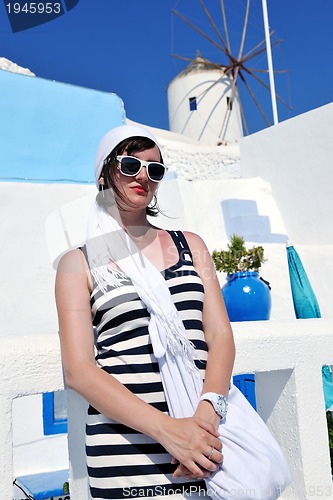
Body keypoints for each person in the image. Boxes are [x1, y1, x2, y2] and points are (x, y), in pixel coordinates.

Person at [55, 124, 289, 500]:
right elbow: (79, 370)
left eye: (155, 169)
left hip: (204, 446)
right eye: (130, 164)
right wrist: (169, 432)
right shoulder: (76, 263)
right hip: (124, 455)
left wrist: (205, 417)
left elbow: (219, 336)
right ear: (104, 173)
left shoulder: (192, 246)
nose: (143, 176)